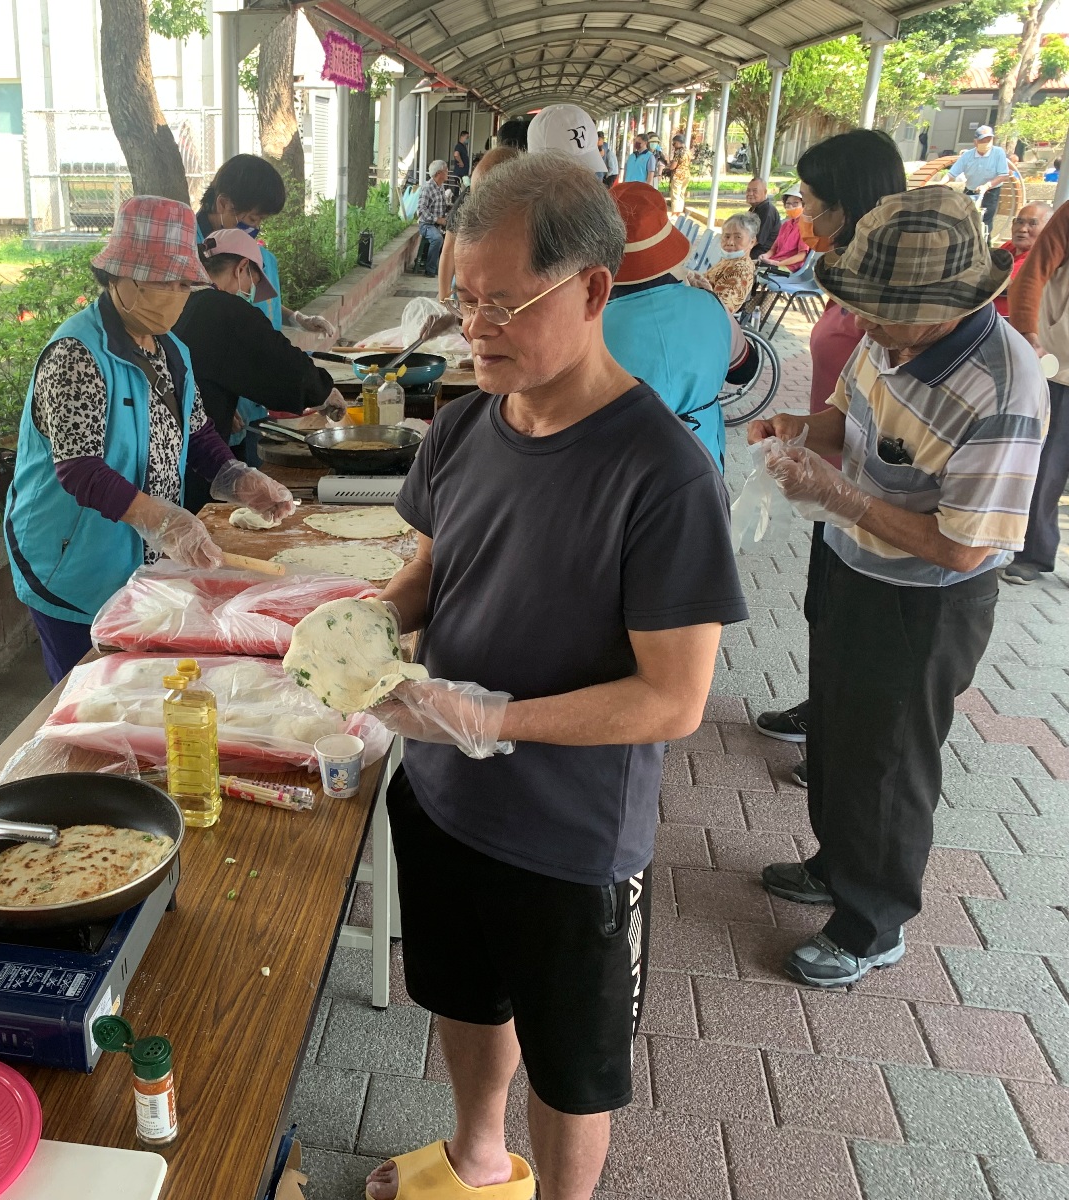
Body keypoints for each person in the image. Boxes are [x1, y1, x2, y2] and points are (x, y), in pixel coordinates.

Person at [348, 152, 747, 1200]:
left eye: (503, 302)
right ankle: (477, 1159)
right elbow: (435, 567)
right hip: (439, 794)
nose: (474, 325)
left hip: (568, 836)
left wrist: (493, 718)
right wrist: (363, 627)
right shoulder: (469, 419)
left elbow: (673, 698)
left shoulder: (661, 473)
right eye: (460, 299)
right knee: (464, 999)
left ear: (592, 289)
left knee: (573, 1064)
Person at [748, 186, 1043, 988]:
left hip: (930, 601)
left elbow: (961, 547)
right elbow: (848, 418)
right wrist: (794, 430)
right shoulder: (890, 338)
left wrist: (843, 497)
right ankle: (835, 863)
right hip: (854, 563)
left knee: (891, 758)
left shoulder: (1003, 388)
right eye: (861, 307)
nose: (865, 327)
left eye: (883, 314)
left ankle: (872, 925)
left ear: (947, 306)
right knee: (839, 730)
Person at [4, 196, 295, 681]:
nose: (181, 295)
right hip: (71, 562)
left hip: (139, 560)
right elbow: (80, 470)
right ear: (125, 277)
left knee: (139, 686)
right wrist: (161, 518)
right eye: (169, 282)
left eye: (186, 283)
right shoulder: (76, 354)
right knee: (90, 688)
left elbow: (195, 429)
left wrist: (236, 475)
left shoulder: (170, 349)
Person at [751, 130, 907, 771]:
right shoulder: (844, 275)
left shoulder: (891, 296)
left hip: (876, 492)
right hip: (831, 471)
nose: (802, 214)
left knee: (864, 626)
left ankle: (846, 745)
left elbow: (968, 543)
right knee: (826, 603)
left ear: (849, 203)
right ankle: (826, 713)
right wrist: (799, 426)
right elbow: (847, 401)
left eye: (812, 202)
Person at [175, 228, 347, 509]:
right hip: (194, 457)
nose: (249, 292)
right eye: (251, 281)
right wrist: (323, 391)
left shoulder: (180, 301)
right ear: (241, 267)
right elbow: (276, 359)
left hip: (166, 449)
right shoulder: (223, 309)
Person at [194, 155, 336, 468]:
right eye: (254, 218)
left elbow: (257, 312)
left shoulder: (251, 252)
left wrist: (296, 318)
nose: (257, 228)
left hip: (252, 404)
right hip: (207, 416)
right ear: (223, 204)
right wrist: (202, 403)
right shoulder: (185, 259)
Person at [603, 183, 750, 470]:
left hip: (624, 468)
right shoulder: (710, 305)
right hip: (703, 459)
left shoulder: (590, 325)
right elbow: (745, 369)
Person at [1002, 200, 1069, 584]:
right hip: (1061, 365)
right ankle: (1035, 552)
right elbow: (1033, 274)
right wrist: (1030, 334)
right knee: (1047, 465)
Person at [438, 147, 522, 306]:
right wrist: (444, 301)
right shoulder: (467, 202)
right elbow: (448, 251)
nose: (480, 206)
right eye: (477, 196)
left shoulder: (528, 215)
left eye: (490, 198)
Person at [944, 124, 1021, 237]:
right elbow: (951, 173)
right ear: (976, 141)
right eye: (983, 140)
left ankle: (985, 244)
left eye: (989, 139)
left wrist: (987, 186)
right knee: (965, 219)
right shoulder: (967, 155)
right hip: (970, 190)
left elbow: (1003, 175)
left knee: (985, 221)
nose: (986, 142)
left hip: (991, 191)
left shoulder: (998, 152)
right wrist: (940, 183)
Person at [689, 213, 759, 314]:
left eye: (738, 237)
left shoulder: (740, 269)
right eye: (726, 236)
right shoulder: (729, 260)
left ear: (752, 242)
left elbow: (719, 309)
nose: (730, 242)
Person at [994, 201, 1050, 319]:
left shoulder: (1040, 256)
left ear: (1048, 228)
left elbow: (1003, 283)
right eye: (1019, 222)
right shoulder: (1010, 246)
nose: (1023, 229)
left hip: (1011, 322)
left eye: (1032, 223)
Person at [758, 185, 809, 273]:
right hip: (774, 262)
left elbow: (802, 255)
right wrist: (765, 256)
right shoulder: (786, 225)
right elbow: (773, 249)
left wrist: (778, 263)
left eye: (795, 203)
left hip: (791, 267)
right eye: (788, 203)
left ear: (804, 205)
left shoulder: (806, 226)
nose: (791, 207)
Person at [416, 159, 452, 276]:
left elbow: (442, 206)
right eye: (446, 171)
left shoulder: (441, 186)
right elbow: (421, 210)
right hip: (426, 224)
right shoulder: (427, 188)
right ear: (438, 174)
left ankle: (443, 267)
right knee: (437, 239)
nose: (448, 173)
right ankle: (430, 270)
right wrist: (437, 219)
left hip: (439, 224)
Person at [746, 177, 780, 258]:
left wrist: (738, 251)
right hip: (752, 249)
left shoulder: (767, 210)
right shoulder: (754, 208)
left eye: (755, 191)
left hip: (762, 254)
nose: (750, 194)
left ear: (764, 192)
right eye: (748, 190)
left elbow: (756, 240)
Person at [666, 133, 692, 214]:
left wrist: (668, 165)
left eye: (674, 143)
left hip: (678, 176)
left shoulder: (678, 152)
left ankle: (675, 213)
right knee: (681, 194)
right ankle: (680, 212)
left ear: (678, 142)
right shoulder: (688, 152)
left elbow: (673, 166)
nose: (673, 145)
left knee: (675, 195)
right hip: (686, 175)